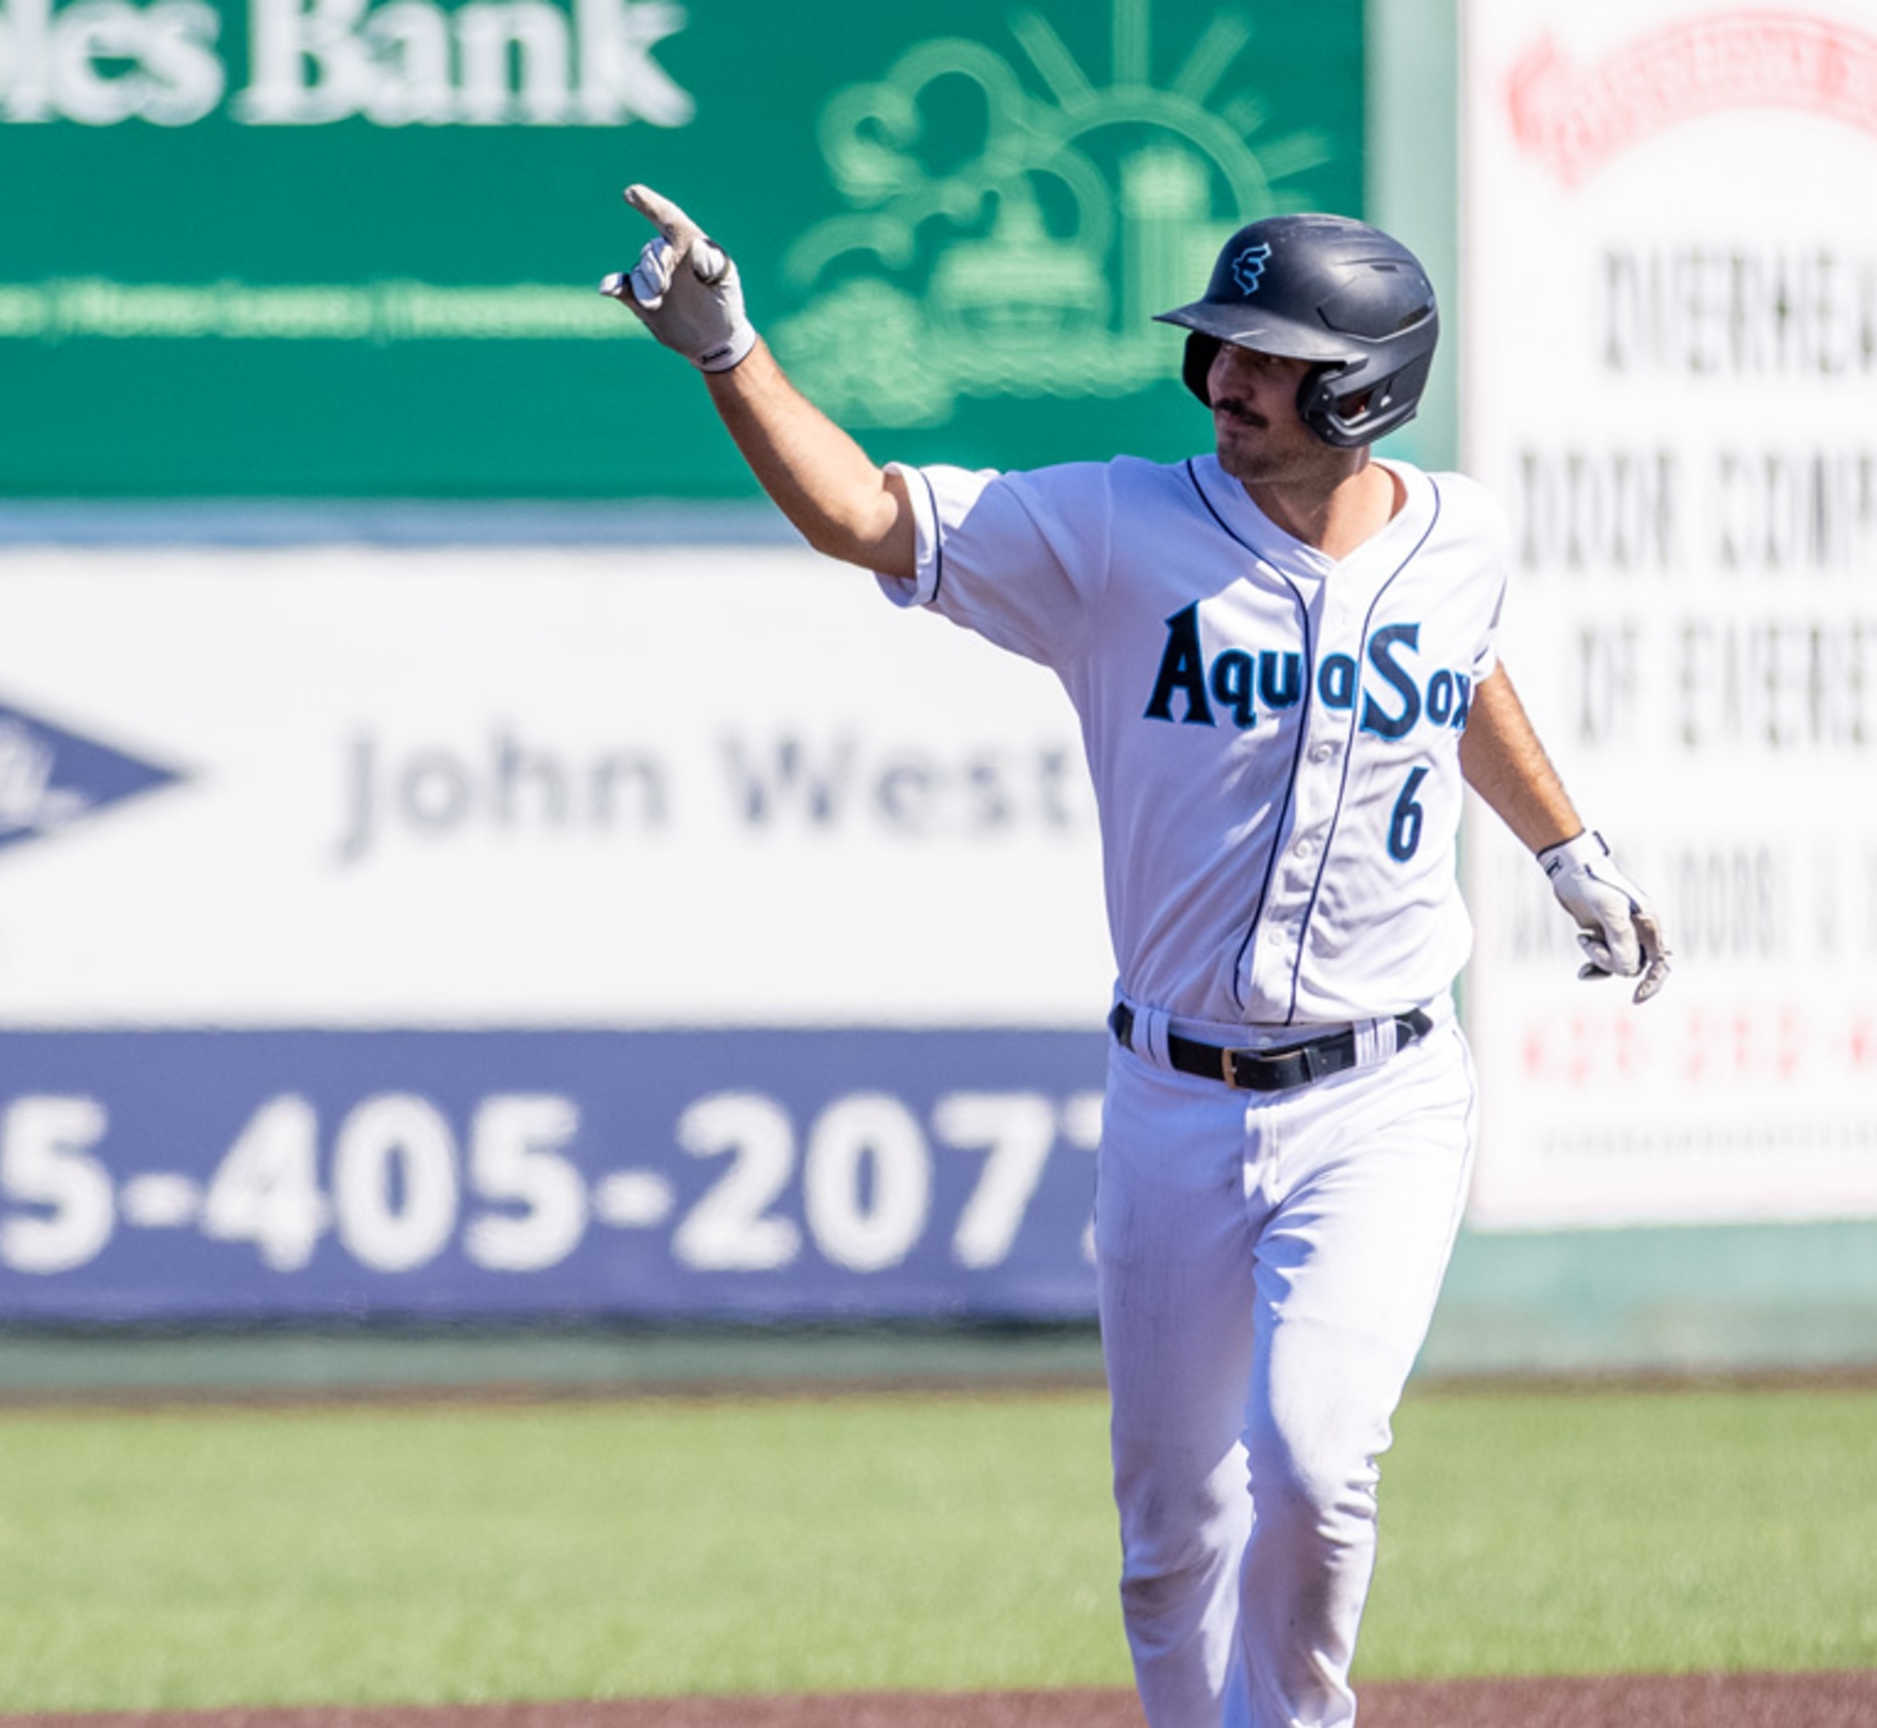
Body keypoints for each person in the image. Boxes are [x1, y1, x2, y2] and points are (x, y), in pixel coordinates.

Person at [600, 185, 1668, 1728]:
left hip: (1384, 1092)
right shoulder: (1114, 528)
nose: (1228, 371)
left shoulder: (1462, 533)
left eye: (1270, 351)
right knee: (1171, 1547)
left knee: (1314, 1463)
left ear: (1365, 387)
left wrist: (1566, 845)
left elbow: (1463, 663)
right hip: (1172, 1099)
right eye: (1221, 341)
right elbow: (866, 518)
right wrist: (729, 353)